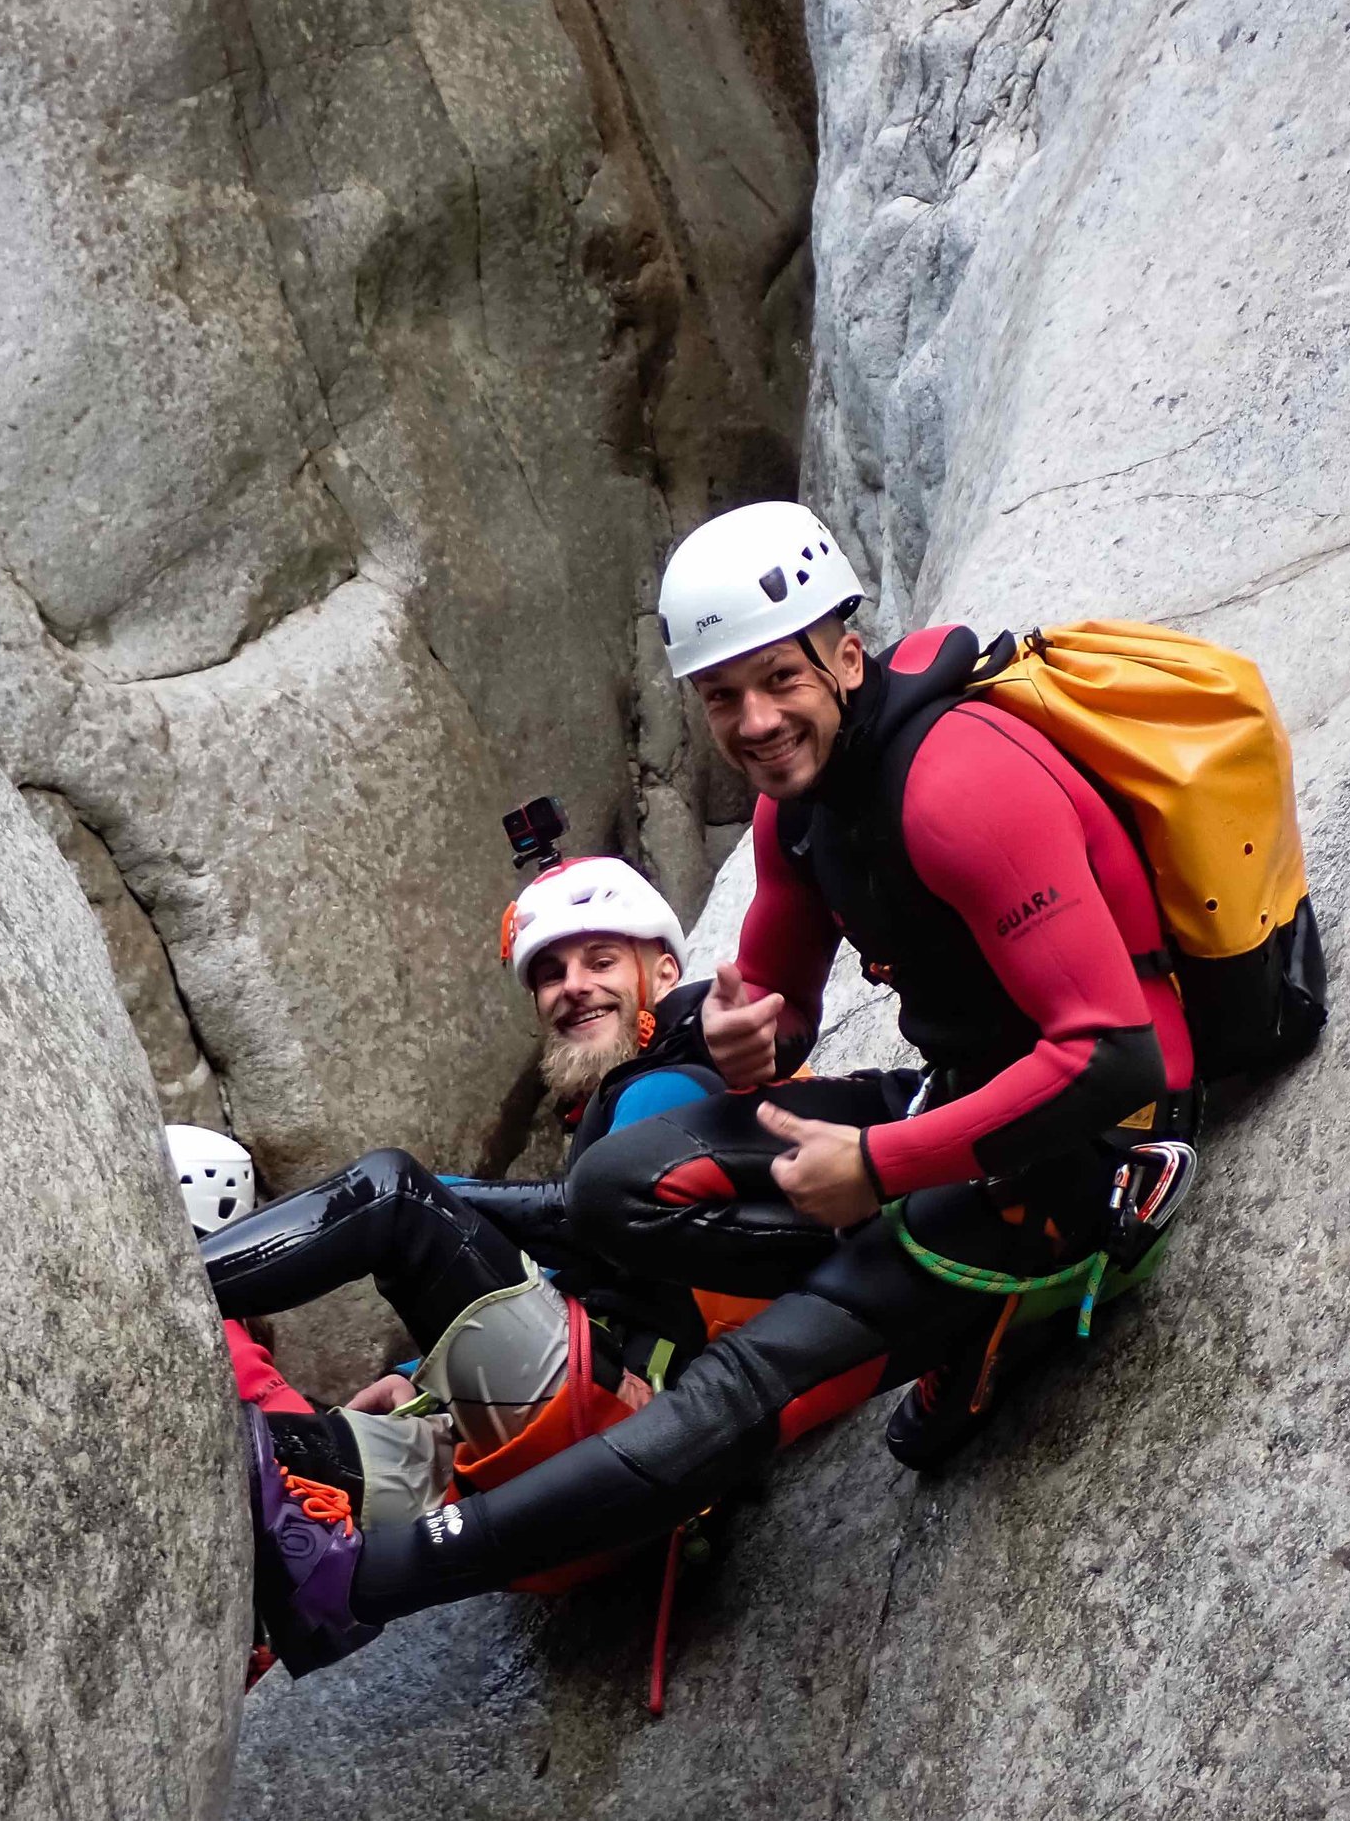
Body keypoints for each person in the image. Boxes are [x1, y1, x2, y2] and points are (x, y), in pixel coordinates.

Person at [251, 498, 1202, 1673]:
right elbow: (779, 1001)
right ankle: (896, 1290)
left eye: (777, 681)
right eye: (720, 696)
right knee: (612, 1191)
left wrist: (877, 1171)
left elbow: (1117, 1056)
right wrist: (766, 1037)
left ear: (844, 654)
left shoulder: (959, 784)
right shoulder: (796, 811)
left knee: (749, 1378)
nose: (753, 720)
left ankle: (363, 1581)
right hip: (958, 1094)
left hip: (1090, 1143)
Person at [215, 853, 739, 1673]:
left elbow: (611, 1235)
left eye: (602, 961)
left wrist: (447, 1199)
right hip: (591, 1480)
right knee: (287, 1457)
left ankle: (166, 1296)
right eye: (552, 973)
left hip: (624, 1423)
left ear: (663, 972)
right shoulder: (627, 1095)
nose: (573, 986)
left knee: (392, 1196)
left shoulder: (670, 1078)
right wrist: (423, 1370)